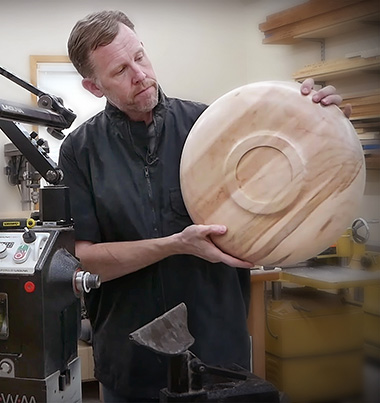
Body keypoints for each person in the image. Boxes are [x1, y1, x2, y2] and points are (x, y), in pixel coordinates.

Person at [58, 10, 350, 402]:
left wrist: (327, 124)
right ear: (93, 87)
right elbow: (83, 260)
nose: (140, 74)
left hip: (217, 354)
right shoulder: (80, 151)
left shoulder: (212, 125)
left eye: (140, 57)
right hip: (130, 359)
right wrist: (174, 244)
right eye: (120, 70)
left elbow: (292, 179)